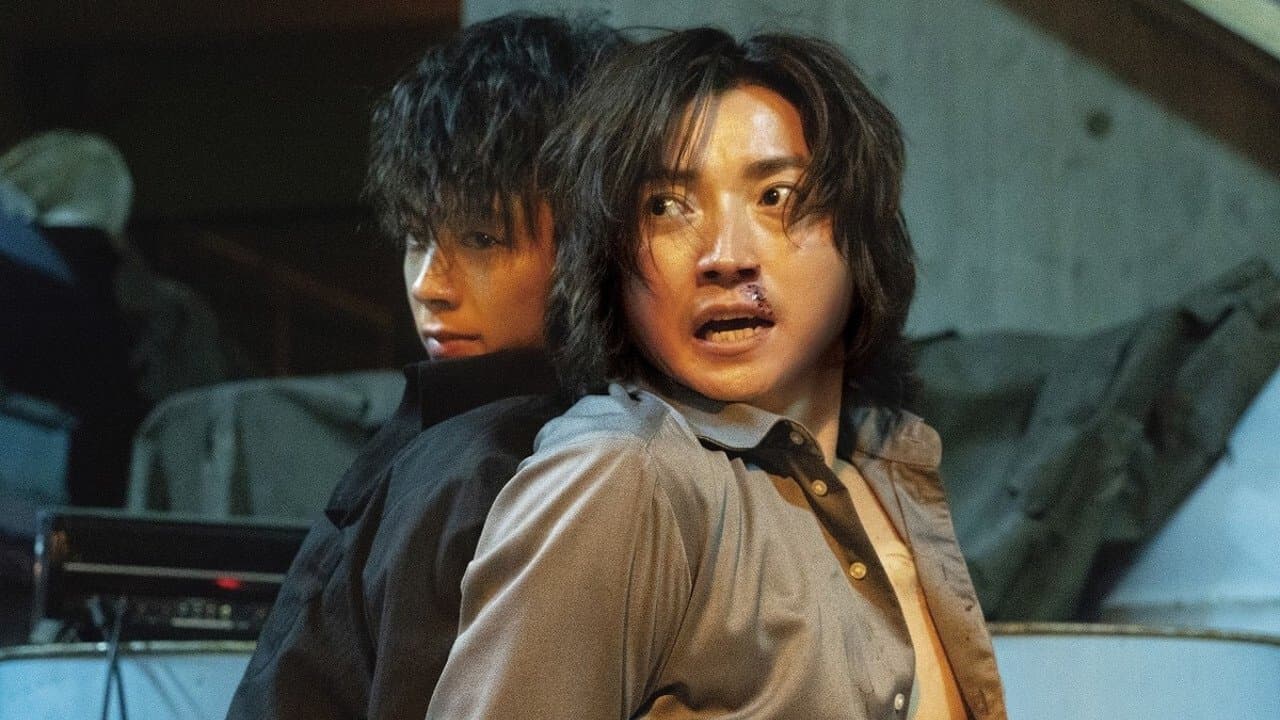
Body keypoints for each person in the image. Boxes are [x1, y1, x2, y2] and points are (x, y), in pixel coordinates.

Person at [426, 29, 1007, 718]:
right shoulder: (623, 474)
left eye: (777, 196)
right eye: (665, 206)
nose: (726, 256)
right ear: (610, 259)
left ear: (861, 236)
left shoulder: (888, 468)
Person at [226, 14, 625, 719]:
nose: (428, 284)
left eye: (482, 239)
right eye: (417, 237)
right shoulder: (461, 433)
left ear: (591, 241)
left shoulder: (500, 466)